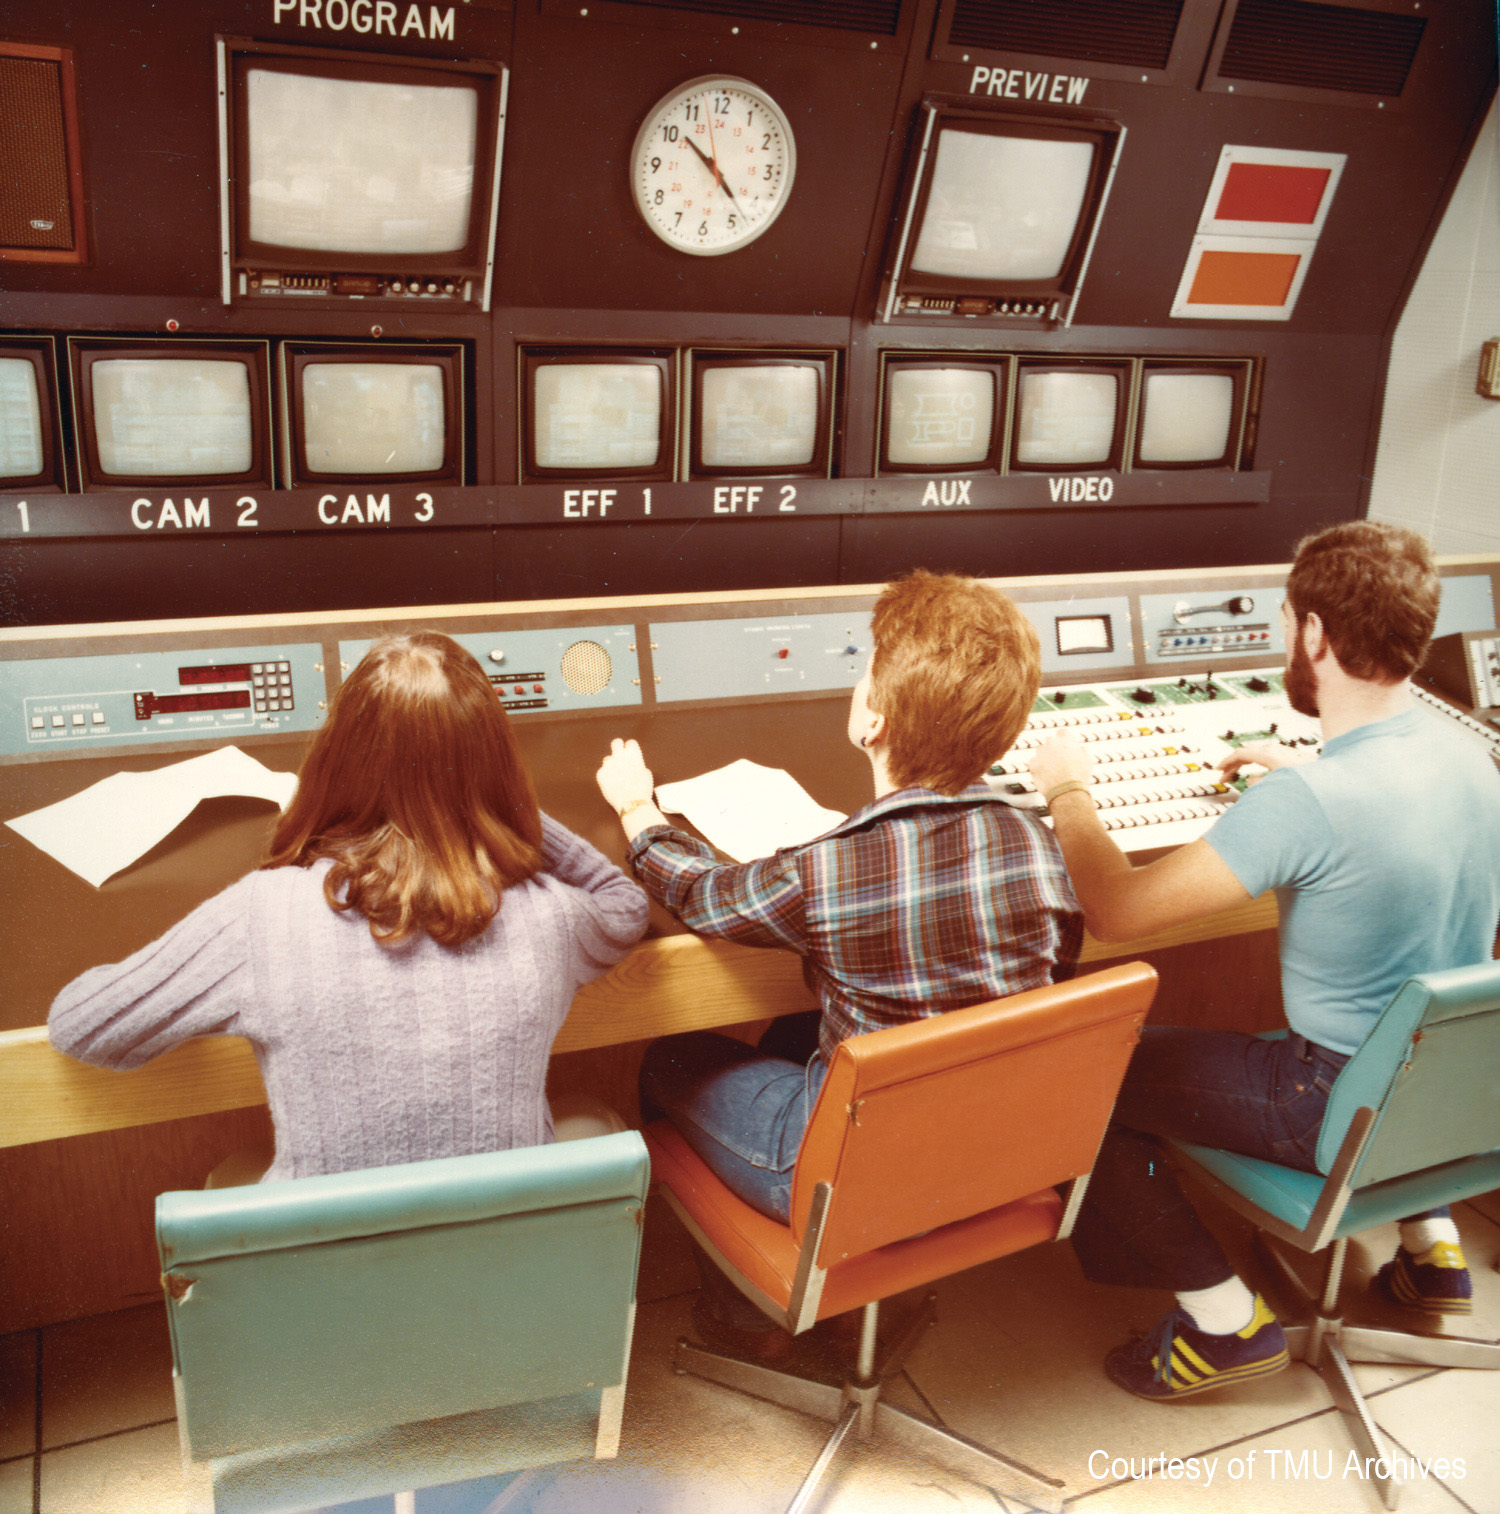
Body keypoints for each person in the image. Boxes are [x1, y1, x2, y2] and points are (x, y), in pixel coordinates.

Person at [1027, 521, 1500, 1401]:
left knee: (1078, 1071)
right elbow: (1387, 822)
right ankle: (1431, 1252)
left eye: (1290, 621)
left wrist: (1066, 788)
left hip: (1328, 1095)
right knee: (1408, 1013)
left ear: (1314, 634)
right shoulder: (1473, 757)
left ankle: (1223, 1324)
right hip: (1455, 1094)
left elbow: (1118, 911)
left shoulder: (1308, 802)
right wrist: (1300, 775)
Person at [595, 569, 1084, 1351]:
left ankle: (746, 1325)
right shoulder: (1040, 847)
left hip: (849, 1178)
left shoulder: (834, 870)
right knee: (796, 1031)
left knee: (668, 1058)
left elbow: (701, 895)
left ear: (873, 720)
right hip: (999, 1156)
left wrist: (636, 811)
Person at [49, 632, 650, 1182]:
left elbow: (84, 1026)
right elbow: (624, 906)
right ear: (494, 765)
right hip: (504, 1269)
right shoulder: (549, 916)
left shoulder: (264, 917)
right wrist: (493, 811)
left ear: (335, 758)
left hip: (325, 1285)